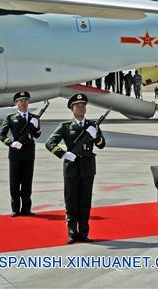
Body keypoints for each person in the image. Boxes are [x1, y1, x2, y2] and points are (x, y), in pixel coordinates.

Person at [45, 93, 106, 244]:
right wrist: (64, 154)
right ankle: (72, 233)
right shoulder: (65, 126)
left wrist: (96, 135)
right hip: (71, 169)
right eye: (78, 105)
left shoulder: (92, 125)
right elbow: (49, 143)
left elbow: (102, 144)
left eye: (83, 105)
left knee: (85, 202)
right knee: (71, 201)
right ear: (72, 109)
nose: (81, 107)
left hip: (87, 168)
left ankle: (84, 233)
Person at [0, 91, 42, 216]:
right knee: (15, 182)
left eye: (26, 100)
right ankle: (15, 209)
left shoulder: (34, 117)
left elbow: (37, 135)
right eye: (21, 101)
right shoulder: (10, 117)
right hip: (15, 153)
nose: (24, 103)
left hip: (28, 153)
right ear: (16, 103)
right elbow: (1, 135)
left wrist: (36, 127)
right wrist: (11, 143)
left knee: (27, 182)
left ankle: (26, 209)